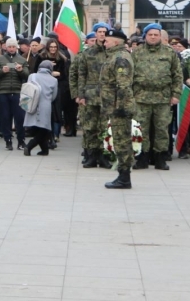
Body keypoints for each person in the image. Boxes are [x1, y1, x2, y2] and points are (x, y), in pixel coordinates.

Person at [132, 23, 182, 170]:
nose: (153, 37)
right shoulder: (137, 53)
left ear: (160, 36)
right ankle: (142, 158)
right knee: (141, 129)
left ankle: (160, 158)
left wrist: (176, 94)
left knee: (162, 129)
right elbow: (129, 75)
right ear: (145, 36)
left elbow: (177, 75)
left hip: (163, 97)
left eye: (156, 35)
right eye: (150, 35)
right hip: (141, 97)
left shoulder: (169, 52)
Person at [100, 29, 135, 189]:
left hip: (119, 107)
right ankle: (122, 174)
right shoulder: (114, 56)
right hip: (114, 106)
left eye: (106, 40)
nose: (104, 42)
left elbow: (123, 85)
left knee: (122, 142)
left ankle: (124, 177)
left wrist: (121, 106)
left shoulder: (120, 58)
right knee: (120, 140)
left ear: (115, 42)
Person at [75, 25, 112, 168]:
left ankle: (103, 156)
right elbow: (81, 75)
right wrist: (80, 94)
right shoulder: (87, 53)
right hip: (90, 95)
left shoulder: (112, 53)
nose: (102, 34)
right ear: (95, 34)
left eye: (105, 32)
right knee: (90, 127)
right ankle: (90, 156)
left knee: (104, 127)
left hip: (107, 96)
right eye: (100, 32)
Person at [0, 38, 29, 151]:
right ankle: (8, 140)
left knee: (19, 117)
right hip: (3, 91)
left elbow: (27, 75)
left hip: (17, 91)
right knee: (5, 117)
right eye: (9, 46)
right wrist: (2, 71)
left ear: (16, 47)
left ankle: (21, 140)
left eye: (13, 47)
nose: (11, 49)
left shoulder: (21, 59)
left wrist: (20, 70)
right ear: (6, 47)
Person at [23, 60, 59, 156]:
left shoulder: (32, 76)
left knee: (36, 127)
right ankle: (29, 146)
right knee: (44, 129)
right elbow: (54, 96)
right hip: (45, 105)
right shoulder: (54, 80)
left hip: (32, 103)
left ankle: (44, 149)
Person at [39, 39, 69, 146]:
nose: (53, 49)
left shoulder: (62, 59)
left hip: (57, 87)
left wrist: (58, 74)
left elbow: (65, 75)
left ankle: (54, 136)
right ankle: (45, 136)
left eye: (54, 47)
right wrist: (47, 70)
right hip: (43, 88)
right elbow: (35, 72)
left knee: (56, 113)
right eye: (51, 47)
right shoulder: (41, 57)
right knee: (45, 112)